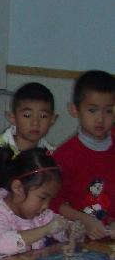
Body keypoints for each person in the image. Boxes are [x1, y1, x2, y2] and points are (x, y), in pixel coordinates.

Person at [0, 147, 68, 260]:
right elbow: (1, 244)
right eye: (43, 198)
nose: (46, 206)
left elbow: (61, 230)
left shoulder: (40, 215)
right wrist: (46, 229)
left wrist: (71, 230)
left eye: (50, 199)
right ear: (18, 188)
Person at [51, 70, 114, 239]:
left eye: (108, 111)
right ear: (74, 110)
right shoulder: (65, 155)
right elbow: (53, 202)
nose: (100, 119)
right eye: (92, 110)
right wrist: (84, 219)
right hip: (79, 238)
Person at [0, 82, 57, 203]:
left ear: (52, 120)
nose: (35, 122)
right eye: (27, 115)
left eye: (43, 116)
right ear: (12, 118)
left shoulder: (49, 156)